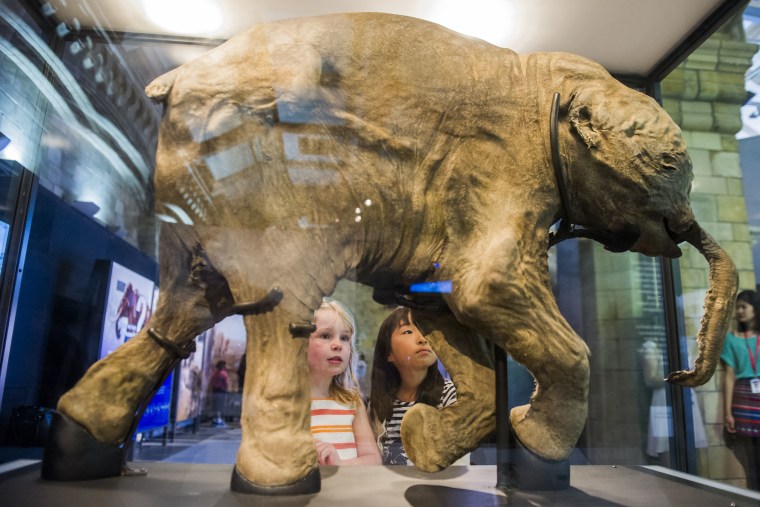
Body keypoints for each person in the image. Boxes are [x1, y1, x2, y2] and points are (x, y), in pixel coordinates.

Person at [369, 306, 457, 465]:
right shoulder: (378, 405)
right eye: (408, 332)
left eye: (425, 330)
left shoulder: (450, 395)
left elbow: (457, 460)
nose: (422, 339)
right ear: (388, 353)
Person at [308, 300, 381, 465]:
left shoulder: (352, 402)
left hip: (348, 488)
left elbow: (373, 459)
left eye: (345, 338)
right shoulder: (286, 405)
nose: (338, 345)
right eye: (325, 335)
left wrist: (339, 464)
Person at [721, 289, 760, 490]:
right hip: (743, 399)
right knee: (750, 463)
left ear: (755, 309)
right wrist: (727, 412)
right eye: (737, 307)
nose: (740, 311)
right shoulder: (731, 339)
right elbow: (729, 375)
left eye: (744, 306)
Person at [210, 360, 229, 427]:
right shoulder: (223, 373)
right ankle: (218, 421)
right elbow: (225, 383)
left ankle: (216, 420)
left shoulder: (216, 373)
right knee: (220, 406)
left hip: (216, 391)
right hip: (221, 391)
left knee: (216, 406)